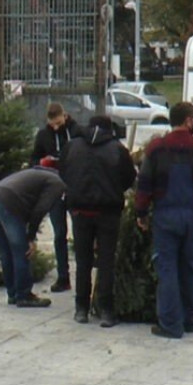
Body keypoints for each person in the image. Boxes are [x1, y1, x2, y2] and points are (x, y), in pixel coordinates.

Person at [134, 103, 193, 340]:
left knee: (167, 269)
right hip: (191, 216)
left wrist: (141, 214)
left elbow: (143, 184)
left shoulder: (156, 148)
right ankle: (190, 321)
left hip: (165, 216)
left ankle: (170, 325)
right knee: (190, 268)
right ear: (187, 120)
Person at [59, 115, 136, 327]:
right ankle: (106, 310)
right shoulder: (117, 149)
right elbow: (129, 178)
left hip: (79, 210)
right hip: (108, 211)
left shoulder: (71, 146)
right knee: (106, 261)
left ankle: (81, 308)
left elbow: (63, 172)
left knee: (82, 261)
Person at [0, 162, 67, 309]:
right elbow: (40, 210)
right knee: (21, 250)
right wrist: (30, 237)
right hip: (9, 201)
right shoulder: (57, 183)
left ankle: (13, 293)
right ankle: (24, 295)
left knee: (5, 250)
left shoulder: (43, 174)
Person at [30, 102, 81, 292]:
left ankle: (83, 275)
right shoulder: (44, 135)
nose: (56, 127)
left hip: (74, 187)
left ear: (64, 116)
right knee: (59, 234)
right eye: (53, 124)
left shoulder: (75, 131)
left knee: (79, 233)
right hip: (54, 188)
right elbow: (33, 159)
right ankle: (63, 276)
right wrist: (42, 162)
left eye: (59, 123)